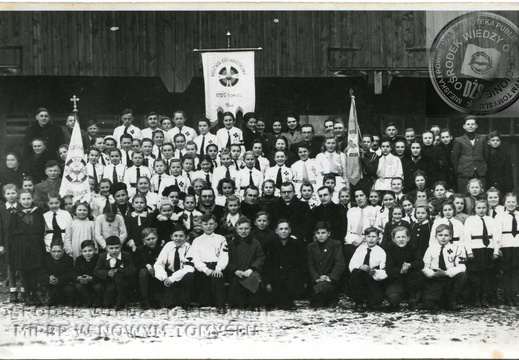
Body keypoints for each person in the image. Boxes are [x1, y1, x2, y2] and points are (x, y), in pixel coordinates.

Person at [8, 189, 46, 305]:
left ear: (33, 199)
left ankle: (34, 294)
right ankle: (27, 294)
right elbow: (11, 232)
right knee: (24, 270)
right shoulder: (15, 213)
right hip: (21, 245)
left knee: (35, 269)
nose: (26, 201)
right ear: (19, 200)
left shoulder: (38, 212)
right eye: (23, 199)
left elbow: (41, 228)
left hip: (35, 244)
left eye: (28, 198)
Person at [187, 213, 228, 312]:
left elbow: (224, 255)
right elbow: (195, 258)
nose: (208, 226)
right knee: (204, 300)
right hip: (202, 268)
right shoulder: (197, 240)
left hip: (217, 266)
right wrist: (205, 269)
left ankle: (220, 305)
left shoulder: (221, 239)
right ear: (201, 226)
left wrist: (218, 268)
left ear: (216, 225)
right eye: (205, 224)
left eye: (211, 224)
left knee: (217, 277)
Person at [463, 199, 499, 307]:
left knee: (487, 275)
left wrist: (496, 251)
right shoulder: (470, 220)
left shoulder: (491, 220)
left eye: (484, 208)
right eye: (479, 208)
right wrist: (469, 251)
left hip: (488, 249)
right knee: (476, 275)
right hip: (476, 249)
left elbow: (496, 237)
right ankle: (476, 298)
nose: (481, 210)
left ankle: (484, 298)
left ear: (487, 208)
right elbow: (467, 237)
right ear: (474, 209)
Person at [263, 219, 306, 310]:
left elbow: (301, 263)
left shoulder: (296, 244)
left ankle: (286, 302)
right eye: (281, 229)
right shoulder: (270, 244)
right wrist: (267, 282)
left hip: (290, 275)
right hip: (275, 276)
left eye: (286, 229)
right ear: (276, 231)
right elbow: (266, 265)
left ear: (290, 230)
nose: (283, 231)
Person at [422, 224, 467, 311]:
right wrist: (432, 274)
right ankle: (437, 301)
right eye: (440, 235)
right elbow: (425, 266)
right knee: (429, 304)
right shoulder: (431, 249)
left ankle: (451, 301)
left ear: (450, 237)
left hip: (449, 277)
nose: (443, 238)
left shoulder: (457, 249)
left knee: (462, 276)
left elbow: (462, 266)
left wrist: (447, 272)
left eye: (446, 235)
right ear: (436, 236)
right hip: (435, 279)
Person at [226, 216, 265, 308]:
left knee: (254, 278)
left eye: (246, 228)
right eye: (241, 229)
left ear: (250, 229)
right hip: (236, 272)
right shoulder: (231, 244)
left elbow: (260, 257)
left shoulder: (255, 243)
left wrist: (251, 269)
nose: (243, 231)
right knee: (235, 288)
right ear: (236, 229)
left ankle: (253, 304)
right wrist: (235, 271)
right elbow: (226, 260)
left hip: (250, 271)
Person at [154, 225, 195, 309]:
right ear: (171, 236)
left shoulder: (189, 247)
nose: (178, 238)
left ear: (186, 237)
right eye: (175, 236)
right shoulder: (168, 246)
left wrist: (172, 278)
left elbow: (189, 267)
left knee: (189, 275)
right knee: (169, 304)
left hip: (182, 276)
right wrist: (165, 277)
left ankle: (185, 302)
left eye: (181, 236)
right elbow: (159, 263)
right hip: (169, 275)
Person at [384, 226, 424, 311]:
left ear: (408, 238)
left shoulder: (413, 248)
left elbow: (421, 263)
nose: (401, 239)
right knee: (393, 298)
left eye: (403, 237)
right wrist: (400, 271)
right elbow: (389, 269)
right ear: (393, 239)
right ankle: (396, 299)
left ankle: (413, 301)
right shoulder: (389, 250)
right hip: (396, 279)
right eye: (398, 237)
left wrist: (410, 265)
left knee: (416, 278)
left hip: (411, 279)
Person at [307, 221, 345, 308]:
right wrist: (317, 278)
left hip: (330, 279)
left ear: (329, 233)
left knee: (323, 288)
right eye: (318, 233)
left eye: (323, 233)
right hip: (317, 279)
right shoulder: (310, 246)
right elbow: (310, 265)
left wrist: (330, 278)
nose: (320, 235)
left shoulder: (336, 244)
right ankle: (327, 300)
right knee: (319, 289)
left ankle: (326, 299)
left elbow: (339, 263)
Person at [348, 227, 387, 311]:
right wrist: (359, 266)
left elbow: (384, 271)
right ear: (365, 238)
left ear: (378, 238)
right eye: (369, 236)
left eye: (374, 237)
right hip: (360, 277)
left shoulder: (381, 252)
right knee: (357, 273)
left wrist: (374, 272)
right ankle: (359, 302)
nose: (371, 239)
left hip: (373, 279)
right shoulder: (360, 249)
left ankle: (371, 299)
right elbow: (352, 264)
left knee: (375, 303)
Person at [94, 235, 136, 310]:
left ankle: (121, 302)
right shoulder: (102, 256)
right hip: (109, 284)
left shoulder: (126, 255)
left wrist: (119, 270)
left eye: (117, 248)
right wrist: (107, 273)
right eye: (111, 248)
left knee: (119, 276)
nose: (114, 250)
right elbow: (97, 271)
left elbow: (132, 270)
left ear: (121, 246)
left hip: (123, 284)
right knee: (107, 304)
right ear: (106, 248)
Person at [451, 117, 489, 194]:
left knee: (481, 194)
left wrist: (482, 167)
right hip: (464, 173)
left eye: (472, 124)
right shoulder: (458, 140)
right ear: (464, 126)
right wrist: (458, 171)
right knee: (464, 195)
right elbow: (454, 158)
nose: (470, 126)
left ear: (476, 126)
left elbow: (486, 155)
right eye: (468, 124)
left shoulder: (482, 139)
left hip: (479, 172)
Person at [494, 193, 519, 305]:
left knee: (516, 272)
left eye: (513, 202)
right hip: (506, 246)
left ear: (517, 203)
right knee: (507, 271)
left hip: (517, 246)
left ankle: (514, 295)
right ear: (504, 203)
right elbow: (497, 234)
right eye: (508, 202)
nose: (511, 204)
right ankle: (507, 296)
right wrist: (497, 248)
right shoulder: (500, 216)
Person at [0, 184, 23, 302]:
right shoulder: (2, 209)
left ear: (17, 194)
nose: (11, 196)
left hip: (22, 241)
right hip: (8, 241)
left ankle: (24, 291)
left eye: (13, 193)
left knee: (23, 265)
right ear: (4, 195)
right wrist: (1, 244)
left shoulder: (22, 206)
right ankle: (13, 291)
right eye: (8, 193)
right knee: (11, 265)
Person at [38, 241, 75, 306]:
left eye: (59, 251)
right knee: (49, 298)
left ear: (63, 251)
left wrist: (59, 280)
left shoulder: (68, 260)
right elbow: (40, 274)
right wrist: (49, 277)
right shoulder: (46, 259)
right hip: (50, 284)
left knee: (70, 290)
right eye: (54, 251)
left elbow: (70, 275)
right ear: (50, 251)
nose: (56, 254)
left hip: (63, 284)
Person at [134, 227, 163, 308]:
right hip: (144, 276)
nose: (151, 241)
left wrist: (156, 266)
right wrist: (146, 265)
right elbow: (136, 264)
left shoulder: (161, 249)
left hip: (157, 274)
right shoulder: (139, 250)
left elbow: (164, 261)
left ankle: (157, 298)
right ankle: (144, 299)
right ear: (143, 240)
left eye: (153, 238)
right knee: (143, 272)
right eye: (148, 239)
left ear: (157, 238)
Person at [74, 240, 103, 307]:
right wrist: (79, 277)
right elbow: (76, 271)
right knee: (79, 285)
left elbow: (101, 273)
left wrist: (92, 278)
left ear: (95, 250)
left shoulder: (98, 258)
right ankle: (88, 299)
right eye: (85, 251)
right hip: (84, 281)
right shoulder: (79, 259)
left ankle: (97, 300)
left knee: (98, 287)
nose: (87, 253)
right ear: (81, 251)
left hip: (95, 280)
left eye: (90, 250)